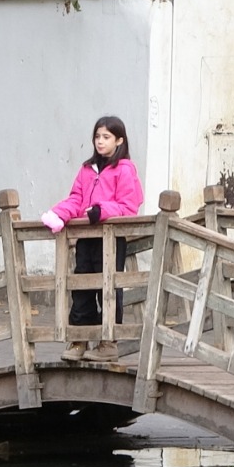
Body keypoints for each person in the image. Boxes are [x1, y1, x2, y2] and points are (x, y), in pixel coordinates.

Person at [40, 115, 144, 362]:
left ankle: (108, 342)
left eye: (106, 137)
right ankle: (78, 339)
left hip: (110, 238)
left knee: (108, 287)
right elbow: (76, 198)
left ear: (119, 140)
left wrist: (102, 211)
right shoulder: (87, 169)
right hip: (86, 237)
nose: (100, 141)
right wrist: (59, 213)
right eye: (97, 136)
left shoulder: (125, 169)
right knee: (81, 285)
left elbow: (129, 206)